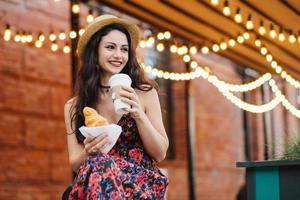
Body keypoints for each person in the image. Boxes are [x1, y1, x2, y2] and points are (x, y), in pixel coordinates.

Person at [64, 14, 169, 199]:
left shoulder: (145, 93)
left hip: (140, 184)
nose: (119, 55)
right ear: (94, 52)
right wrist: (89, 151)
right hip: (96, 180)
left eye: (124, 49)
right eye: (110, 47)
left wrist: (138, 115)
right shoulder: (74, 106)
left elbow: (160, 153)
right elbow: (75, 163)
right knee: (98, 162)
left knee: (98, 164)